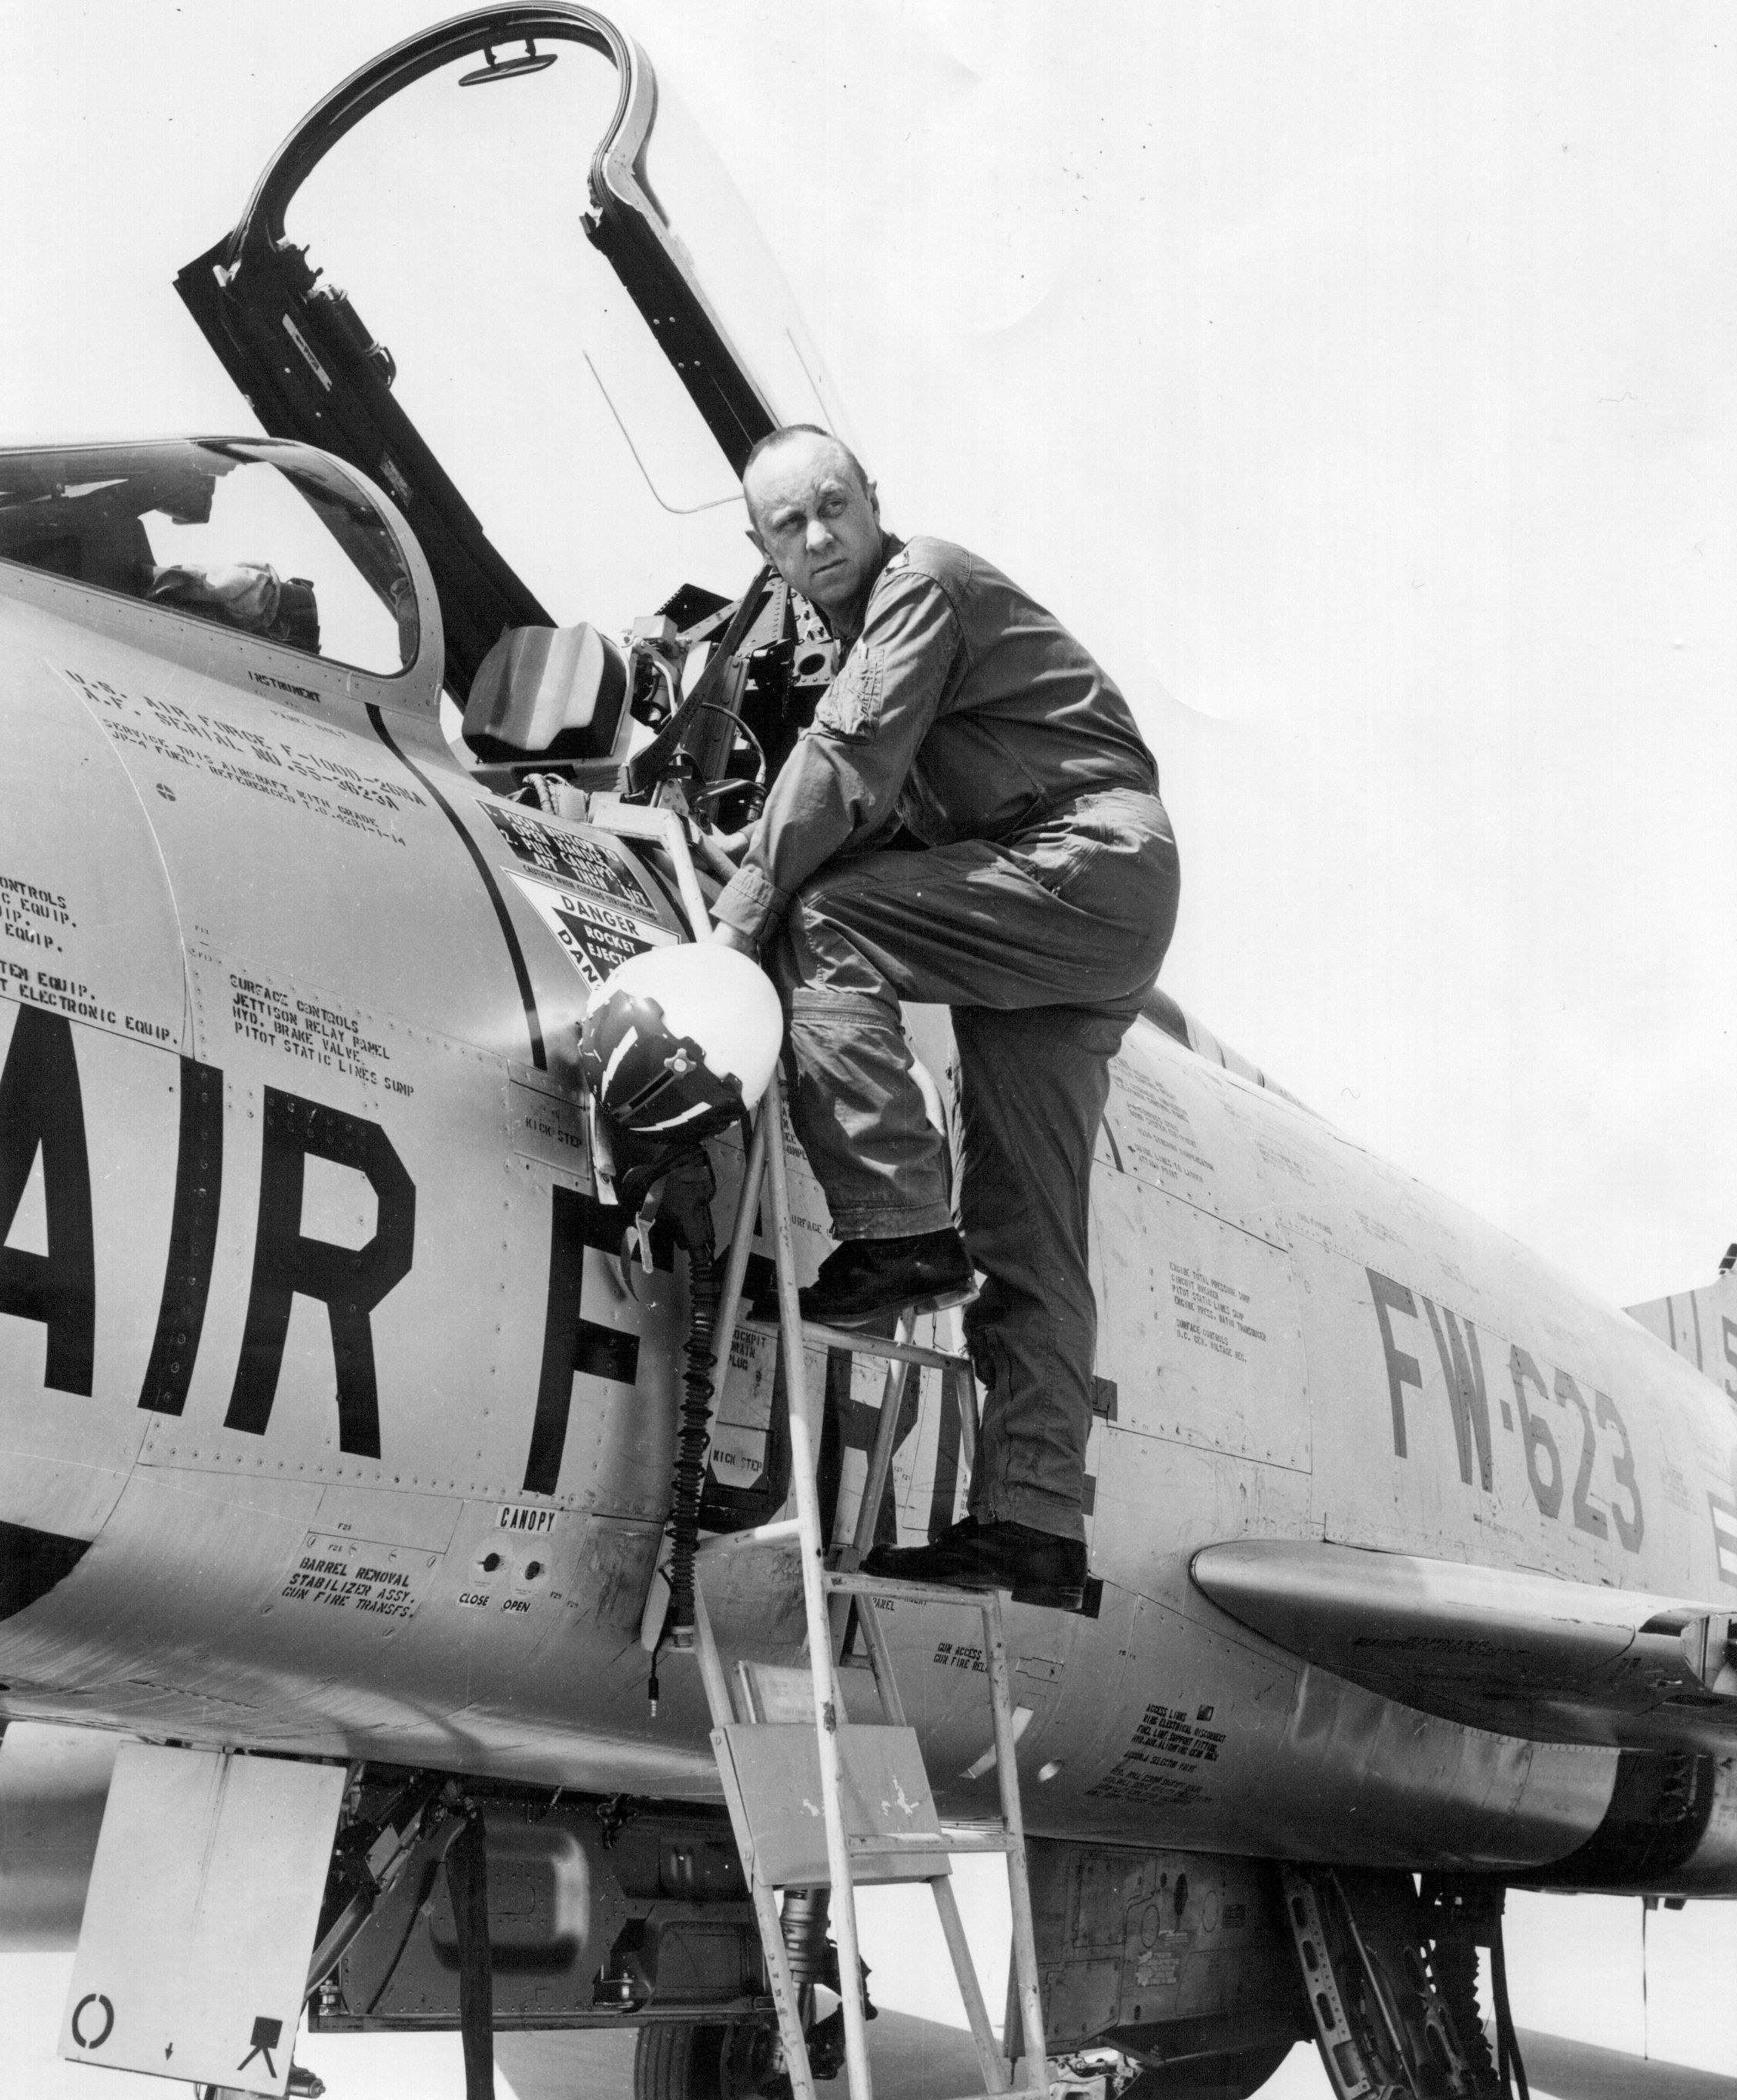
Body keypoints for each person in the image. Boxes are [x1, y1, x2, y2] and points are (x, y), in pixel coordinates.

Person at [710, 426, 1179, 1609]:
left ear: (876, 501)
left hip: (1078, 860)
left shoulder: (920, 585)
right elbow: (873, 795)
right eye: (789, 527)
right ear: (761, 551)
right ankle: (1032, 1526)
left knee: (828, 921)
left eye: (834, 508)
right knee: (1030, 1229)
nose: (819, 538)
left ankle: (900, 1225)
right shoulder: (873, 631)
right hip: (1092, 904)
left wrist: (737, 915)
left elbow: (850, 756)